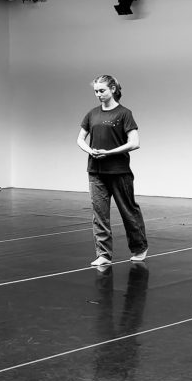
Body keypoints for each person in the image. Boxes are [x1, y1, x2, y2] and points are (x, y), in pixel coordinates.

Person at [76, 74, 149, 267]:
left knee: (128, 210)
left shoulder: (124, 113)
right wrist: (91, 150)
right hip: (96, 171)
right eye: (96, 91)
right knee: (99, 214)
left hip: (119, 171)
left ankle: (139, 247)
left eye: (102, 90)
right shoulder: (92, 114)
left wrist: (109, 153)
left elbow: (135, 143)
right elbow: (79, 139)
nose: (98, 94)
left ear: (113, 90)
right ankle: (104, 254)